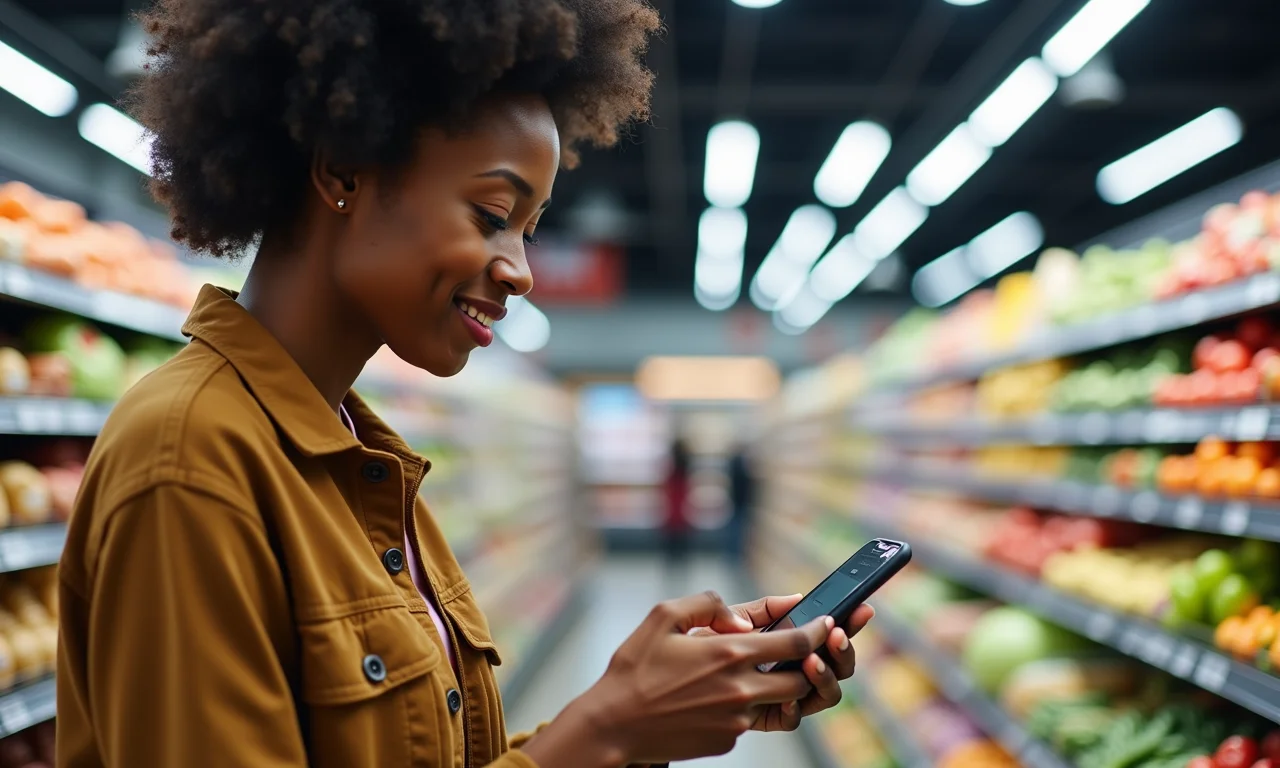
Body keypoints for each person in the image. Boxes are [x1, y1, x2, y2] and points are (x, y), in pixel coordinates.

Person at [56, 2, 874, 766]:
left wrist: (642, 716)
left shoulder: (365, 466)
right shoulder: (193, 461)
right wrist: (608, 726)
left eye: (530, 228)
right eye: (491, 213)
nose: (520, 271)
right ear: (342, 170)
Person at [660, 438, 694, 594]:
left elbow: (665, 491)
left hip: (671, 513)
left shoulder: (670, 470)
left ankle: (671, 571)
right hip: (683, 514)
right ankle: (682, 571)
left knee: (670, 545)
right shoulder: (687, 470)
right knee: (683, 544)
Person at [726, 445, 757, 568]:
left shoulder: (733, 465)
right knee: (737, 528)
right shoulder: (739, 467)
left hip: (736, 501)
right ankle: (735, 552)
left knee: (735, 527)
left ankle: (732, 551)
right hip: (740, 502)